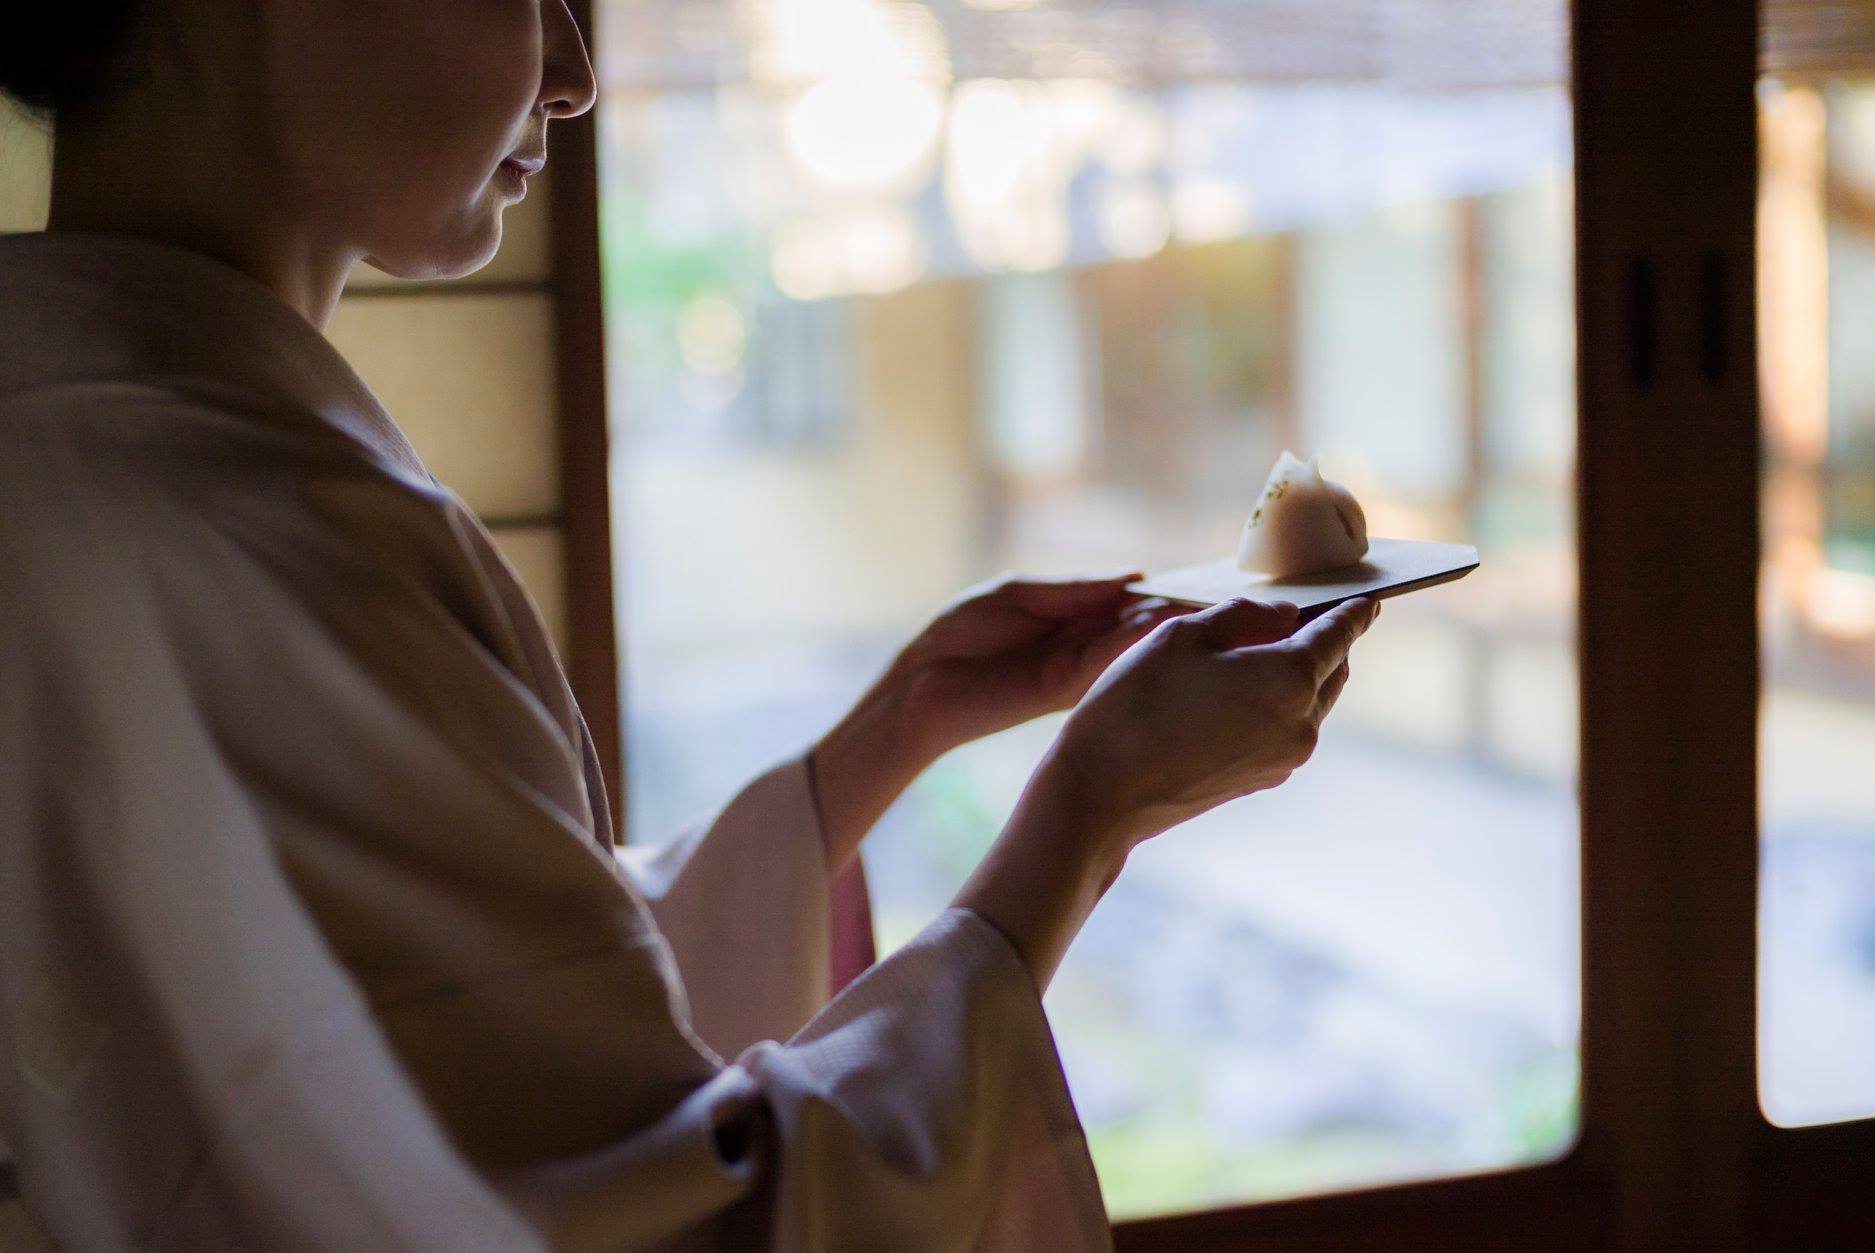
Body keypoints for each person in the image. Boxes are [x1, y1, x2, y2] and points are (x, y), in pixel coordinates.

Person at [0, 3, 1378, 1249]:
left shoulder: (82, 450)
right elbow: (652, 1219)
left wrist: (889, 740)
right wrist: (1084, 818)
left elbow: (444, 1023)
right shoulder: (245, 530)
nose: (578, 72)